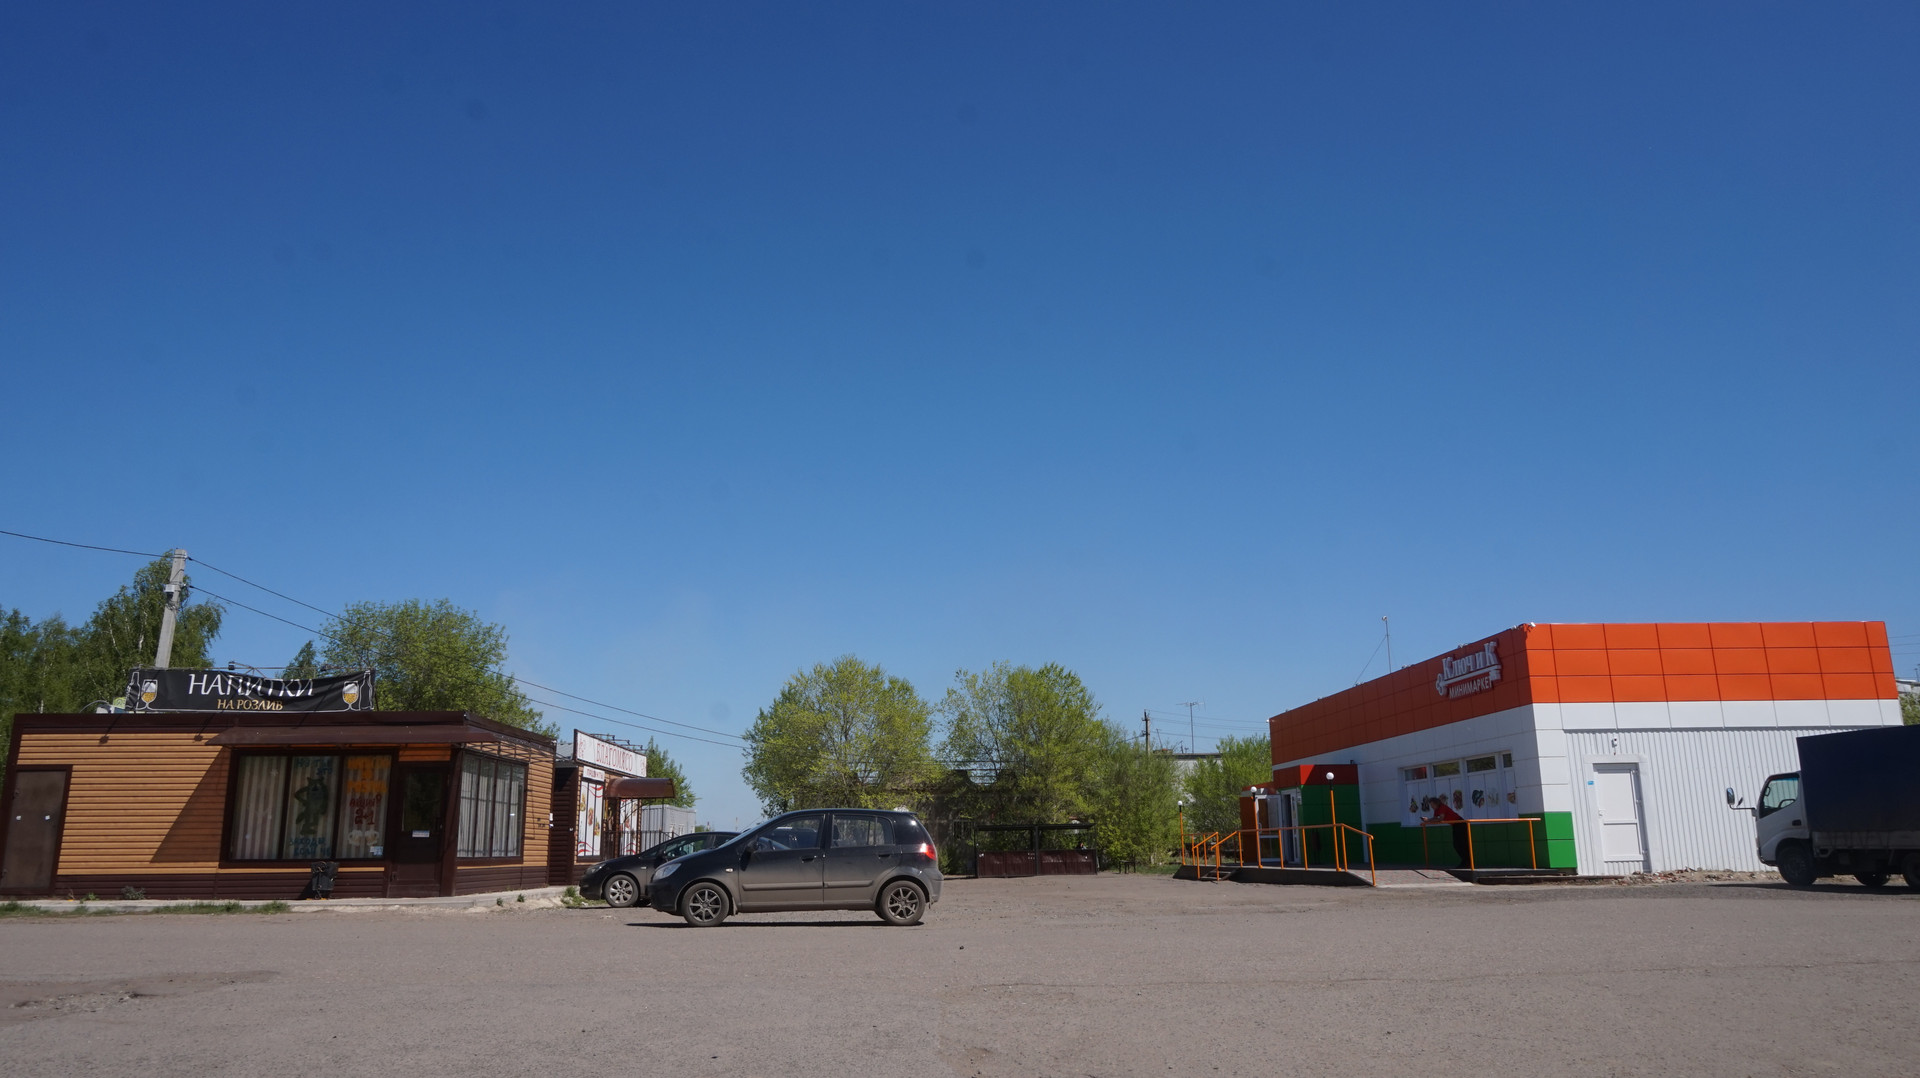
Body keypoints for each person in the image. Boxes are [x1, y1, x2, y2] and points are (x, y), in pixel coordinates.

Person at [1424, 796, 1472, 865]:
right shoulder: (1436, 810)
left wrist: (1428, 820)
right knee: (1457, 845)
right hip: (1455, 825)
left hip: (1460, 823)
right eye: (1431, 805)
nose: (1432, 807)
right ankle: (1466, 861)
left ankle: (1467, 861)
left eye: (1432, 805)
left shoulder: (1442, 807)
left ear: (1436, 803)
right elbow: (1435, 818)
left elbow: (1441, 818)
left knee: (1461, 844)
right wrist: (1427, 820)